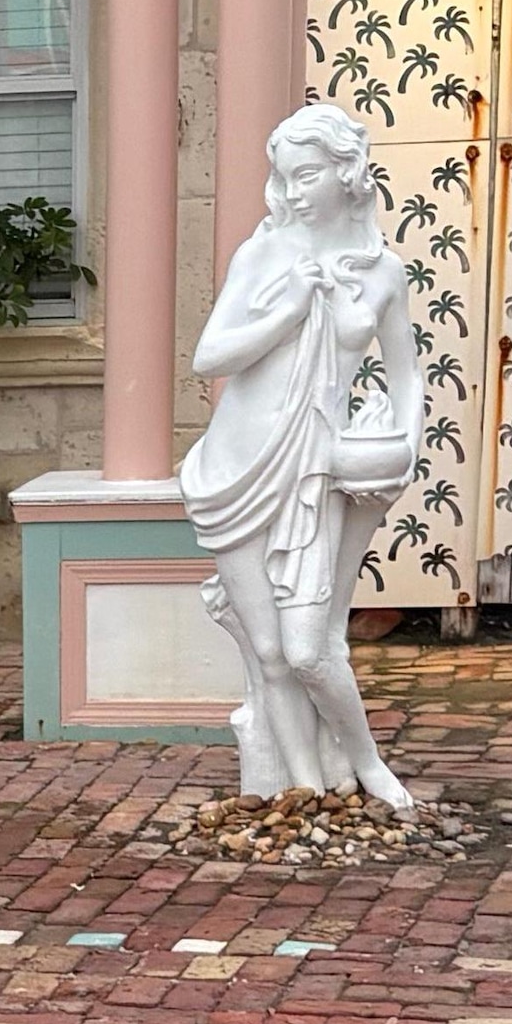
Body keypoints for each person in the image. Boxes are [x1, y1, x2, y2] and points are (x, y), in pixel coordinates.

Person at [184, 101, 423, 804]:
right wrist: (287, 312)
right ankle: (307, 788)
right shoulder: (263, 255)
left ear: (347, 173)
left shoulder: (384, 273)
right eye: (285, 177)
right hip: (235, 468)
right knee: (268, 653)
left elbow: (406, 375)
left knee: (308, 648)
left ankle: (367, 763)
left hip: (318, 467)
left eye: (307, 175)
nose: (292, 192)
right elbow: (208, 357)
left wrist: (405, 442)